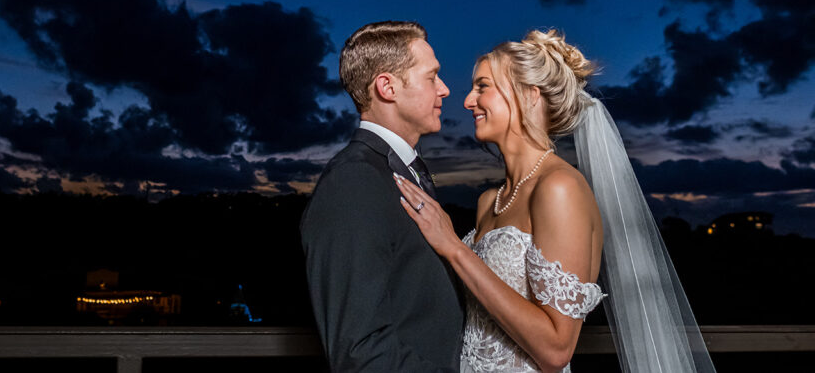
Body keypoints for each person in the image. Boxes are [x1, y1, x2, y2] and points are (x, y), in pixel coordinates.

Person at [395, 29, 716, 373]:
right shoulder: (490, 201)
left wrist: (455, 249)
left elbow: (556, 349)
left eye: (483, 87)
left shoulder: (559, 188)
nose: (467, 101)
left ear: (530, 95)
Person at [301, 21, 464, 372]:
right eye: (431, 77)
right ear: (387, 87)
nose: (446, 89)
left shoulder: (401, 170)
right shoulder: (354, 180)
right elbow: (360, 351)